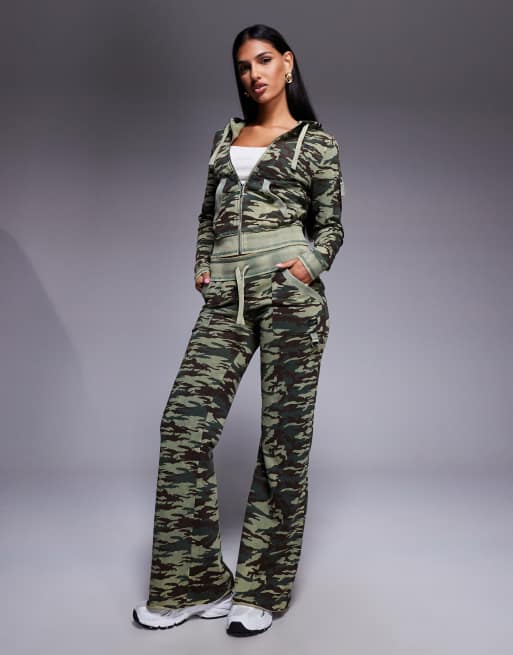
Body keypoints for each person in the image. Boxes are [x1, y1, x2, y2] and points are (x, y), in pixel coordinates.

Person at [133, 23, 345, 637]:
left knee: (283, 442)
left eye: (264, 60)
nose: (253, 74)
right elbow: (208, 215)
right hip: (226, 298)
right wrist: (203, 264)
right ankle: (192, 583)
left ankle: (262, 588)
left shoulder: (316, 144)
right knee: (184, 426)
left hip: (289, 298)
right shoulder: (223, 138)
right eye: (244, 66)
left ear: (288, 64)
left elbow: (332, 225)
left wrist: (308, 265)